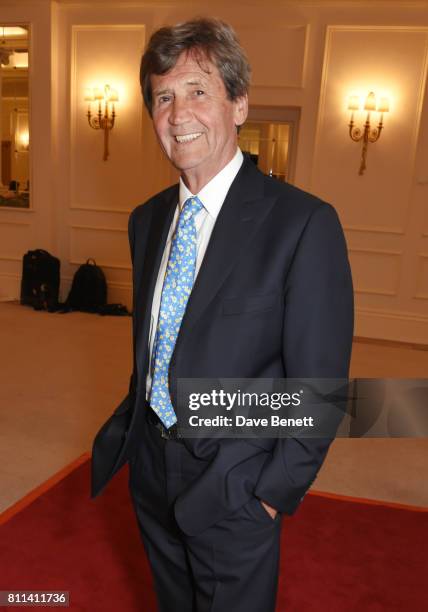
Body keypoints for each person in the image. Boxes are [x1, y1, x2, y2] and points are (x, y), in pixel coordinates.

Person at [91, 17, 354, 612]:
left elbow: (321, 388)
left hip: (238, 484)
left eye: (198, 91)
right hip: (152, 472)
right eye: (163, 96)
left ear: (239, 104)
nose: (178, 114)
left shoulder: (303, 224)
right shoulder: (147, 220)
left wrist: (269, 492)